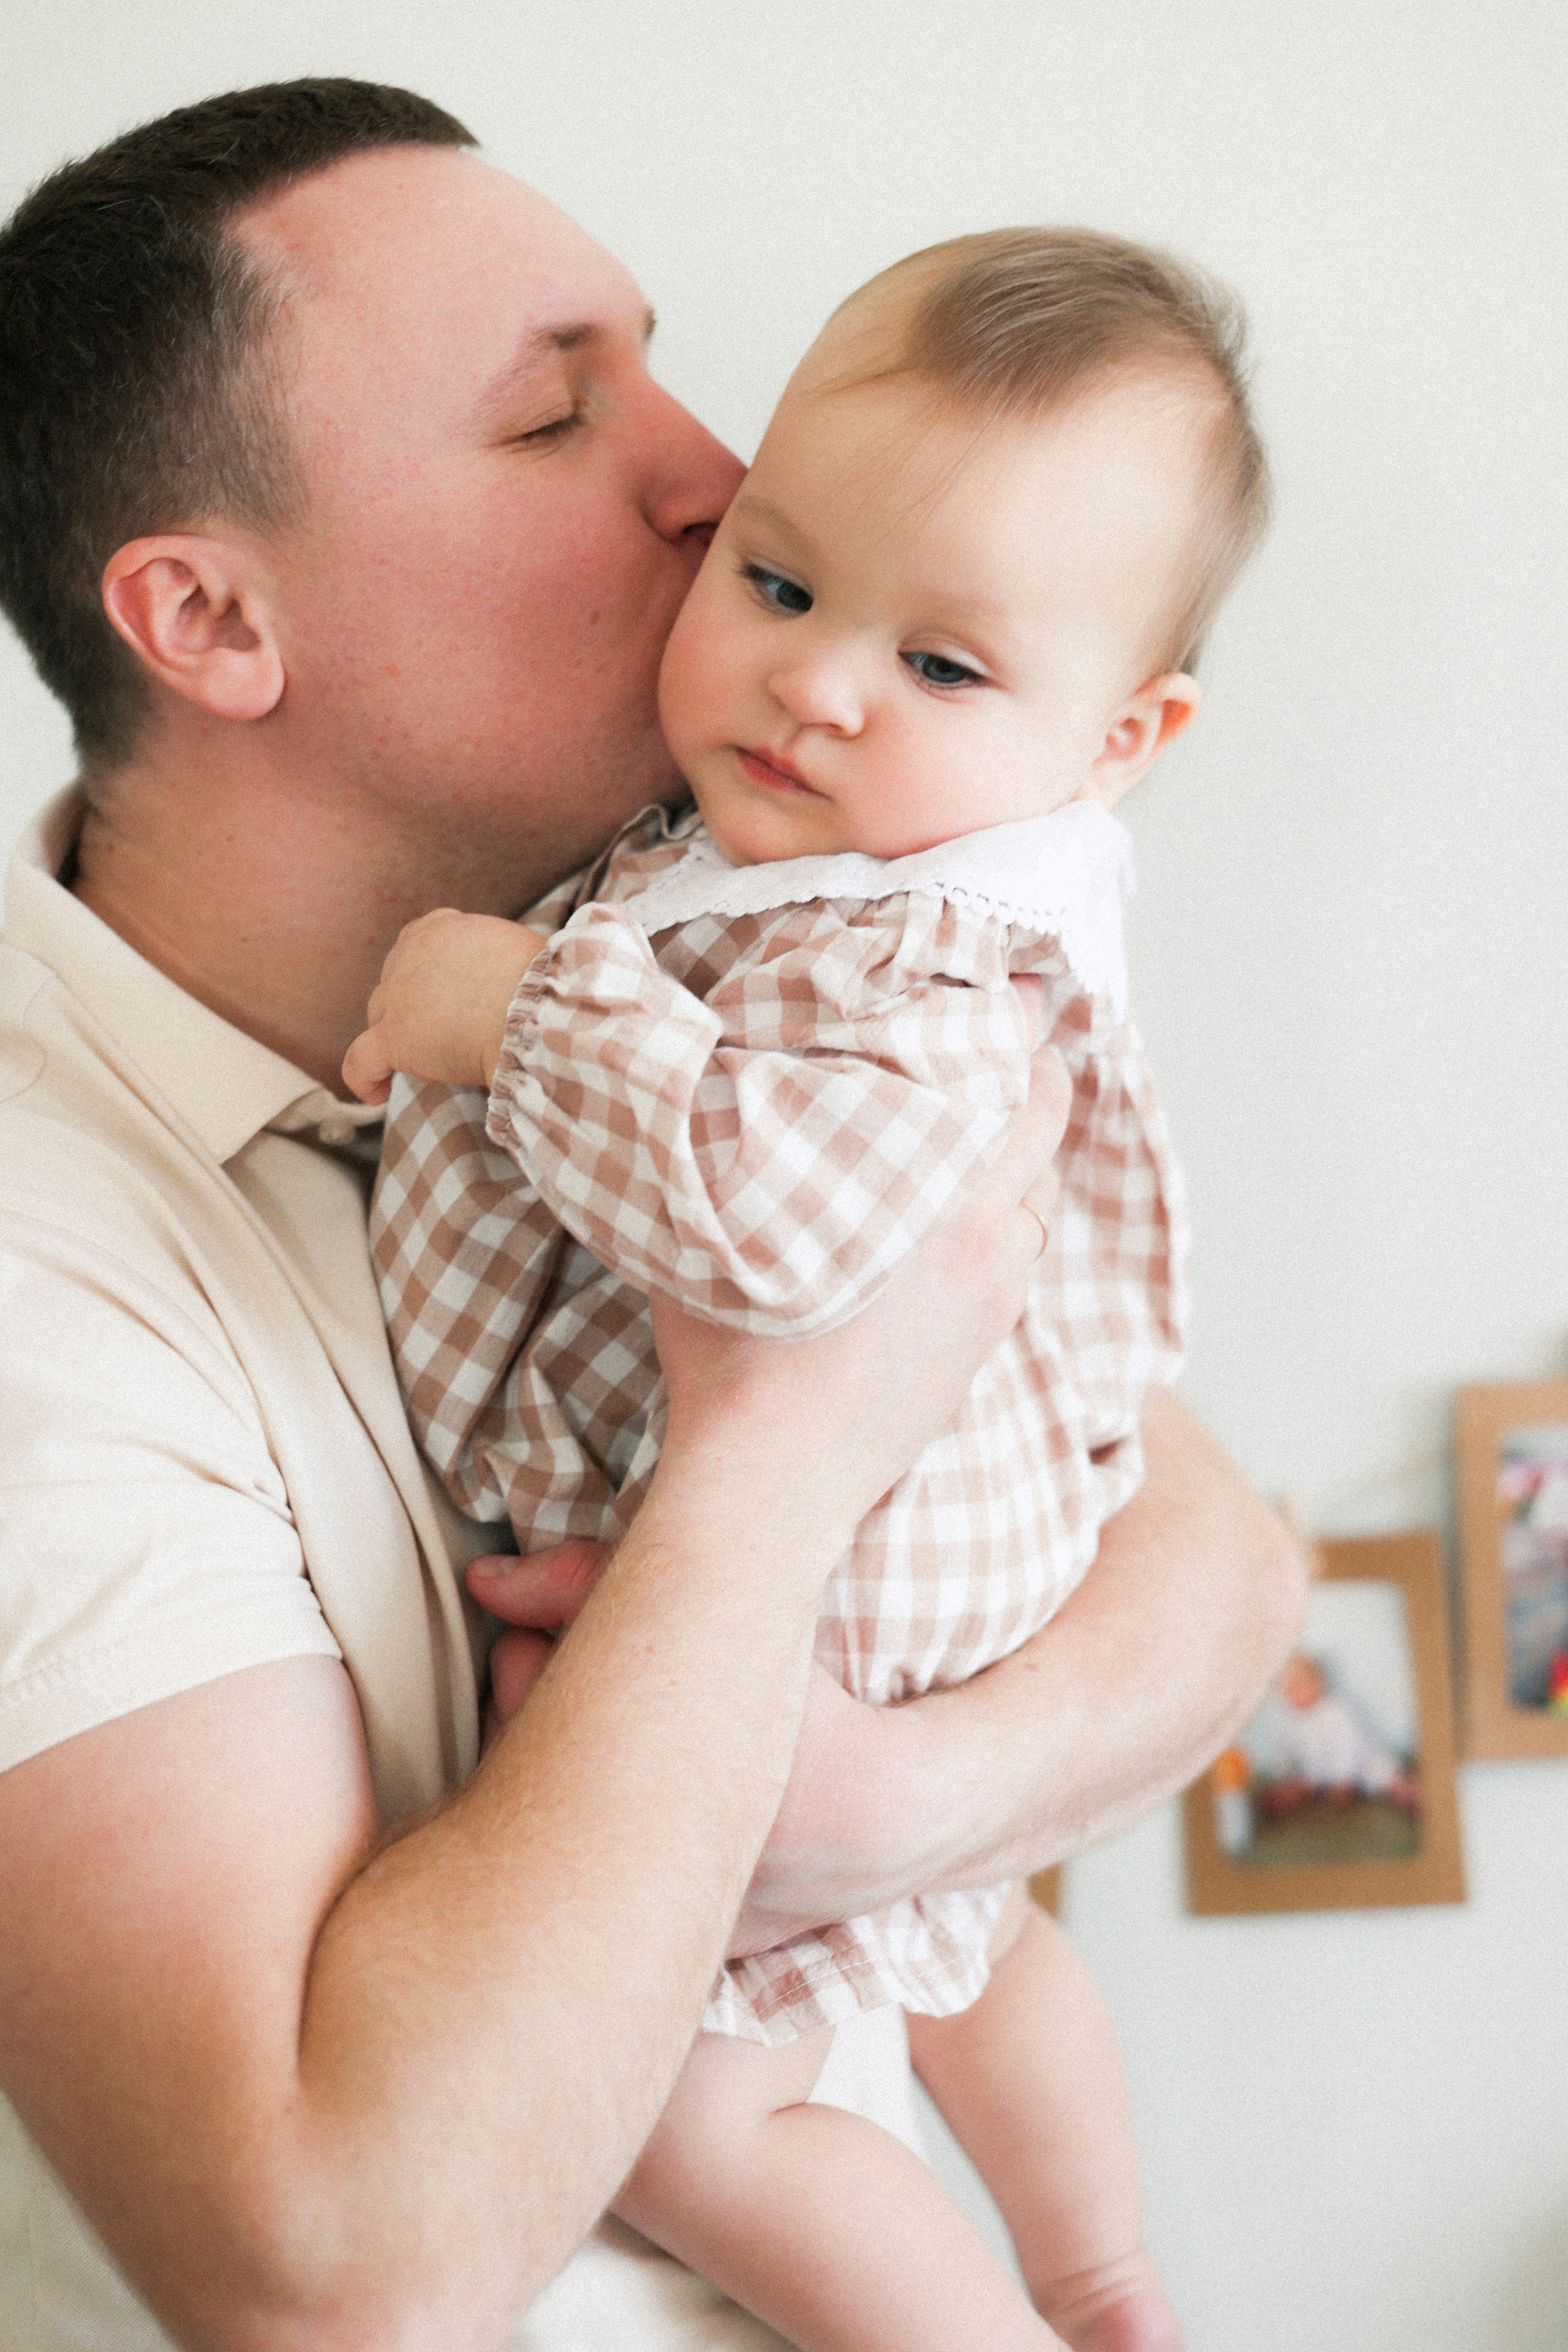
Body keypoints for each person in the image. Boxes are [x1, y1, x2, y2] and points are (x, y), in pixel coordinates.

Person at [0, 79, 1306, 2352]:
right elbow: (338, 2273)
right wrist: (776, 1467)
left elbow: (1207, 1543)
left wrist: (894, 1794)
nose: (711, 473)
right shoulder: (47, 1260)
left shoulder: (730, 945)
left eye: (661, 359)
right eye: (551, 418)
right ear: (208, 617)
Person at [344, 228, 1267, 2352]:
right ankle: (1106, 2270)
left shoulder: (926, 959)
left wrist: (499, 1007)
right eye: (777, 585)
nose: (820, 684)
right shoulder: (766, 865)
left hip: (838, 1577)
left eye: (943, 670)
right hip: (894, 1555)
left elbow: (776, 1226)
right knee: (968, 1926)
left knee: (688, 2119)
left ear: (1124, 735)